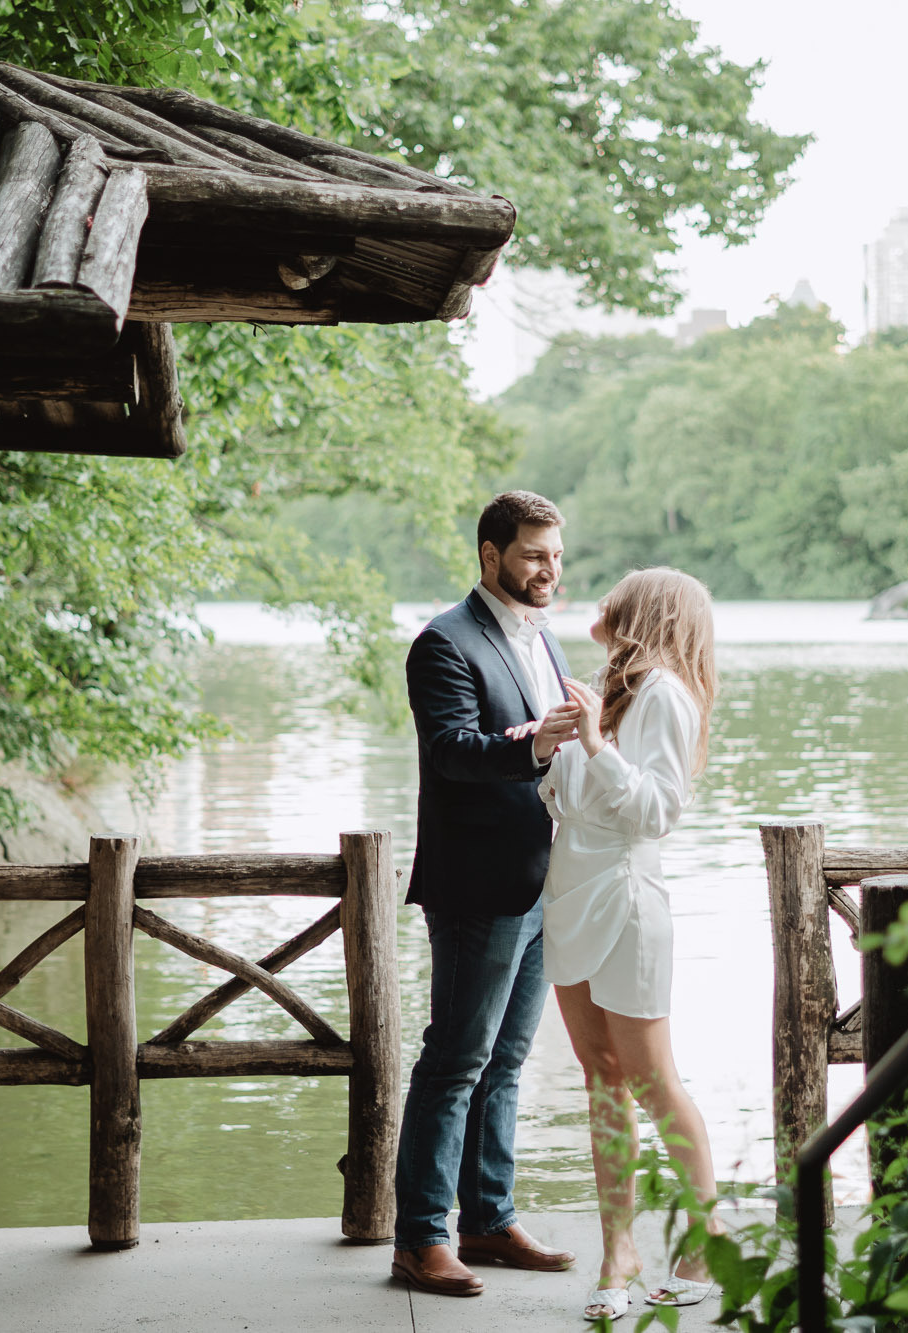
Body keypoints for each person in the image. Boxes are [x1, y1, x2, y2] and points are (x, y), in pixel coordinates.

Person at [390, 490, 585, 1298]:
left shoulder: (545, 637)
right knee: (454, 1060)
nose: (549, 570)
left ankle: (488, 1217)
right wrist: (533, 741)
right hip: (477, 887)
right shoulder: (443, 641)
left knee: (505, 1062)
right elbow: (454, 750)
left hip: (546, 880)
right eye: (534, 554)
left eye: (556, 556)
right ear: (490, 554)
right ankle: (420, 1236)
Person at [537, 567, 725, 1322]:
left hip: (626, 899)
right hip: (571, 893)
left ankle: (705, 1237)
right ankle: (619, 1247)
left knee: (653, 1080)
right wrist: (556, 750)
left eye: (621, 591)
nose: (604, 597)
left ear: (646, 610)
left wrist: (593, 744)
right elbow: (569, 801)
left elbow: (656, 811)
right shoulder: (605, 689)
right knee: (601, 1079)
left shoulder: (666, 696)